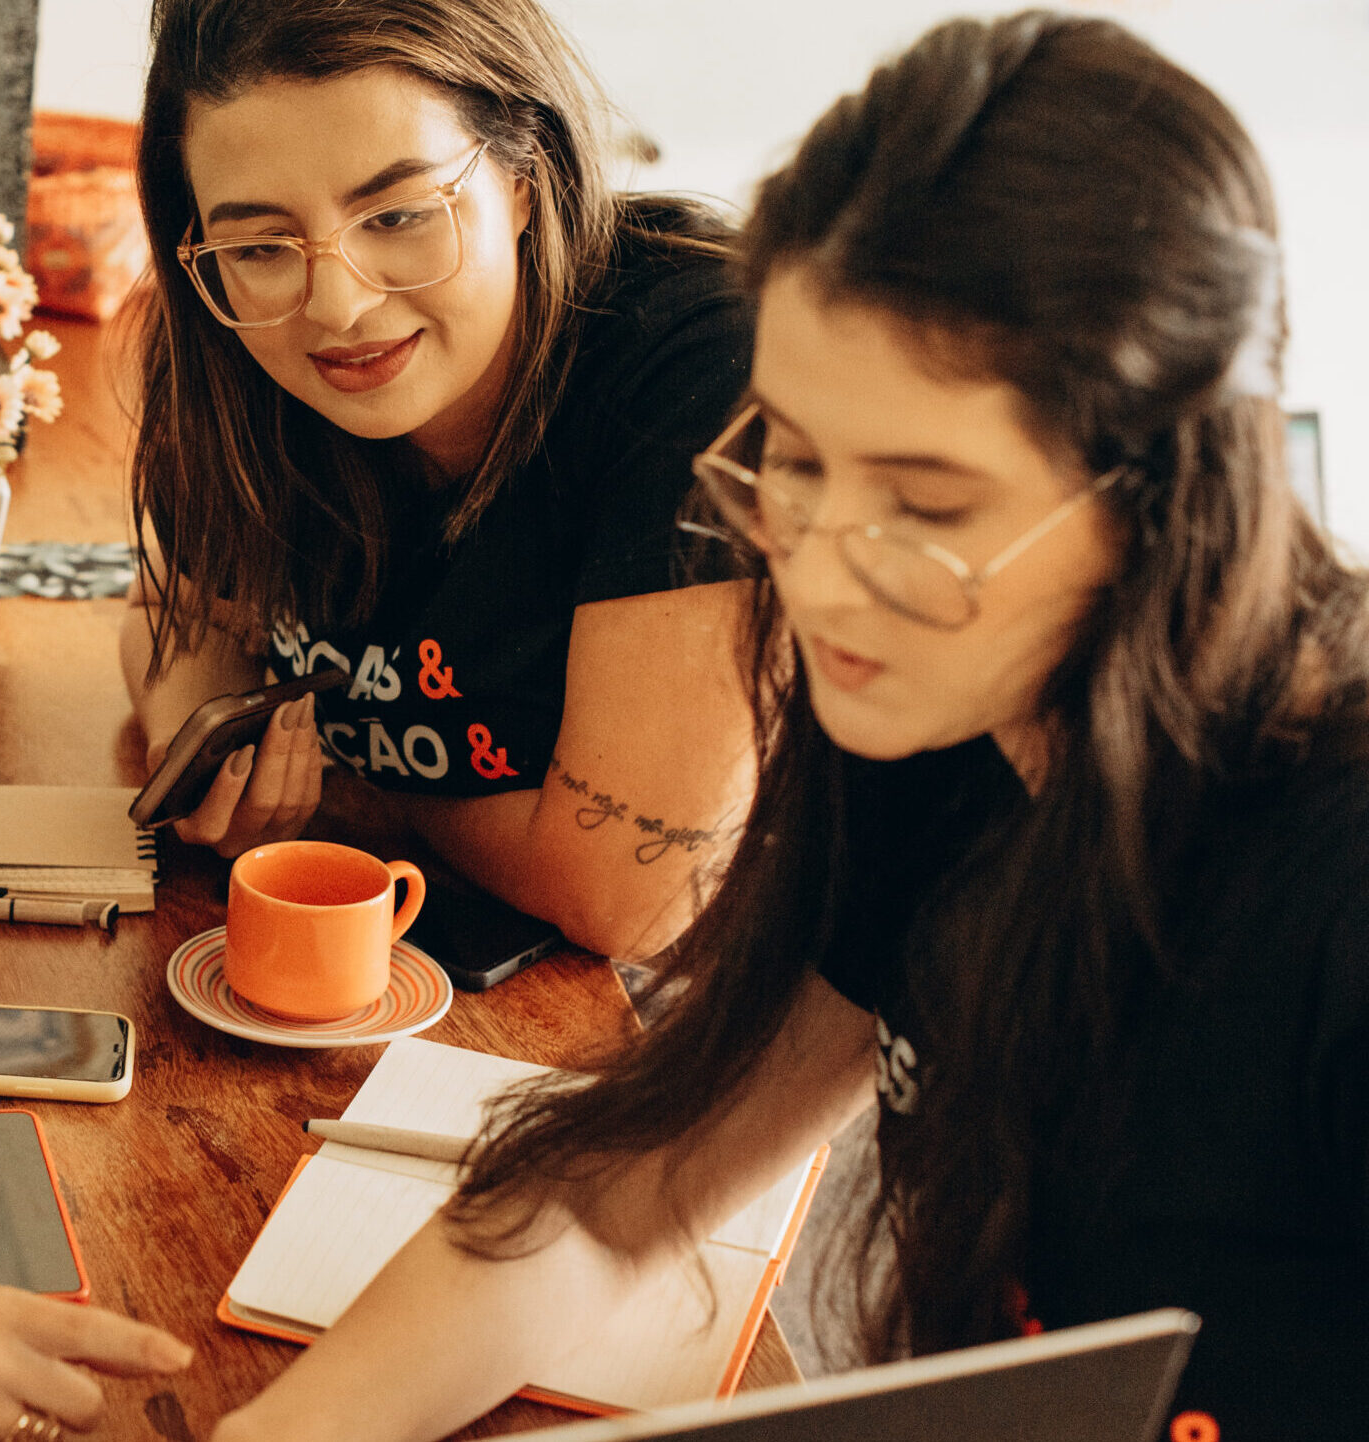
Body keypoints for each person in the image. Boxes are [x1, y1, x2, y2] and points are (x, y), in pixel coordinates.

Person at [212, 13, 1363, 1441]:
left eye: (927, 508)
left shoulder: (1327, 891)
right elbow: (615, 1183)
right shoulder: (944, 737)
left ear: (1169, 492)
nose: (814, 573)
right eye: (792, 465)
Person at [122, 0, 755, 960]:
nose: (337, 306)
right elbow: (173, 614)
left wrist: (351, 797)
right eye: (260, 246)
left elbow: (634, 900)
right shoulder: (225, 343)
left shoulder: (696, 361)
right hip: (369, 946)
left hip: (675, 1016)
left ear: (526, 179)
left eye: (401, 215)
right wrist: (211, 763)